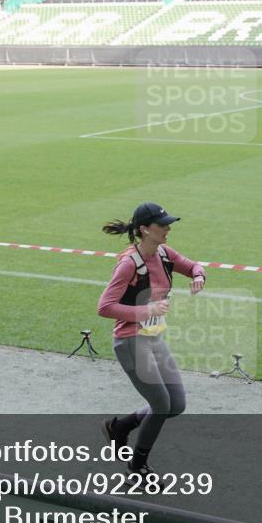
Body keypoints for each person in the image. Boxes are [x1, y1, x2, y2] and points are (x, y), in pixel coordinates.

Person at [97, 202, 205, 478]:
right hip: (130, 342)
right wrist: (147, 310)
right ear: (145, 230)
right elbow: (105, 307)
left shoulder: (164, 253)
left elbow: (193, 266)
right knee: (160, 406)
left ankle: (120, 426)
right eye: (163, 225)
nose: (169, 229)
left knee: (176, 405)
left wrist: (198, 276)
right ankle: (138, 466)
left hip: (154, 339)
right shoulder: (128, 265)